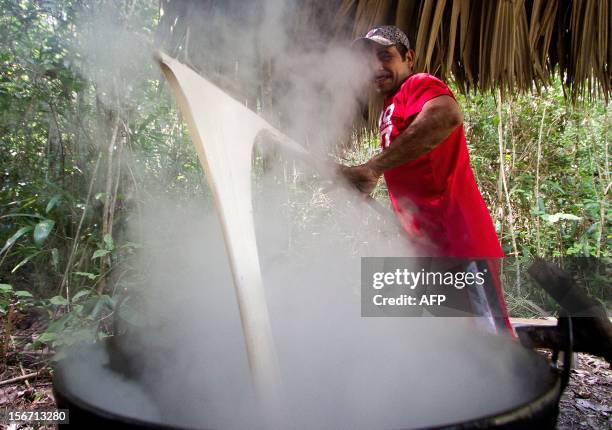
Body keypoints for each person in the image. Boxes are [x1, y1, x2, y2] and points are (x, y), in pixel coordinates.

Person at [342, 26, 512, 334]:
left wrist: (372, 168)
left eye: (385, 56)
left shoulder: (418, 84)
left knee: (494, 350)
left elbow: (446, 116)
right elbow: (413, 167)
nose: (376, 67)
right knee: (456, 347)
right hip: (431, 250)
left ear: (409, 58)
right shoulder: (389, 107)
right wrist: (370, 180)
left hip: (460, 244)